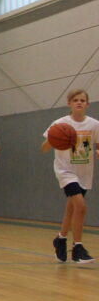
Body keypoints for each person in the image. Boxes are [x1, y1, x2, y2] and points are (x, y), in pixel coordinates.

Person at [41, 89, 97, 264]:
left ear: (87, 104)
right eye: (75, 100)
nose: (79, 102)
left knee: (72, 209)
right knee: (80, 206)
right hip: (65, 171)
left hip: (84, 172)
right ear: (69, 103)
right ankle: (77, 248)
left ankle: (60, 239)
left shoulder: (94, 125)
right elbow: (44, 148)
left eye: (82, 100)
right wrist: (54, 138)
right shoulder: (60, 124)